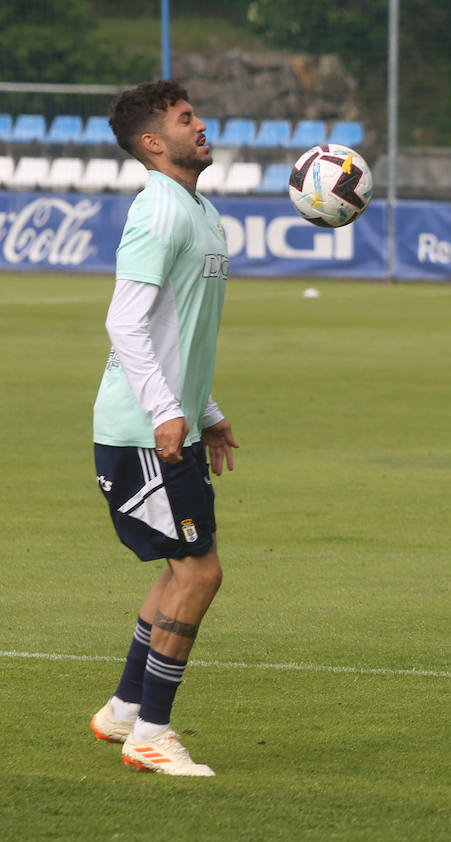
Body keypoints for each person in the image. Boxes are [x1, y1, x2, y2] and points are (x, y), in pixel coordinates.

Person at [88, 80, 237, 777]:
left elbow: (182, 328)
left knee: (179, 568)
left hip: (164, 424)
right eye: (186, 119)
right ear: (155, 142)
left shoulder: (199, 211)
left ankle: (125, 708)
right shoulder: (160, 211)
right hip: (140, 431)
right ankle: (152, 731)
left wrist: (204, 411)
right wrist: (166, 410)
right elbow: (125, 321)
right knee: (198, 571)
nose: (201, 125)